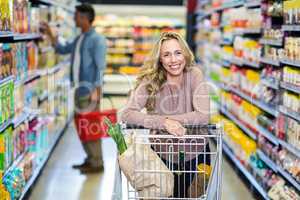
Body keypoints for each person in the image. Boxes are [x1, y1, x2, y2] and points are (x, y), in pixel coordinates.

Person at [121, 31, 211, 198]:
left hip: (196, 153)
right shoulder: (151, 79)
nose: (174, 60)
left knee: (193, 197)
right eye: (167, 55)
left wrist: (169, 120)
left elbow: (203, 115)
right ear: (160, 59)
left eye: (178, 53)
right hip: (162, 156)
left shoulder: (194, 74)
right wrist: (162, 122)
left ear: (185, 53)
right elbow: (126, 113)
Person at [40, 3, 107, 173]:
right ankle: (90, 158)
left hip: (89, 91)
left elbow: (100, 67)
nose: (73, 18)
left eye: (76, 16)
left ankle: (97, 163)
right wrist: (50, 34)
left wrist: (97, 90)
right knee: (82, 126)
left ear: (84, 18)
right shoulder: (80, 38)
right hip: (78, 90)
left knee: (90, 126)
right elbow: (62, 49)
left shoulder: (97, 40)